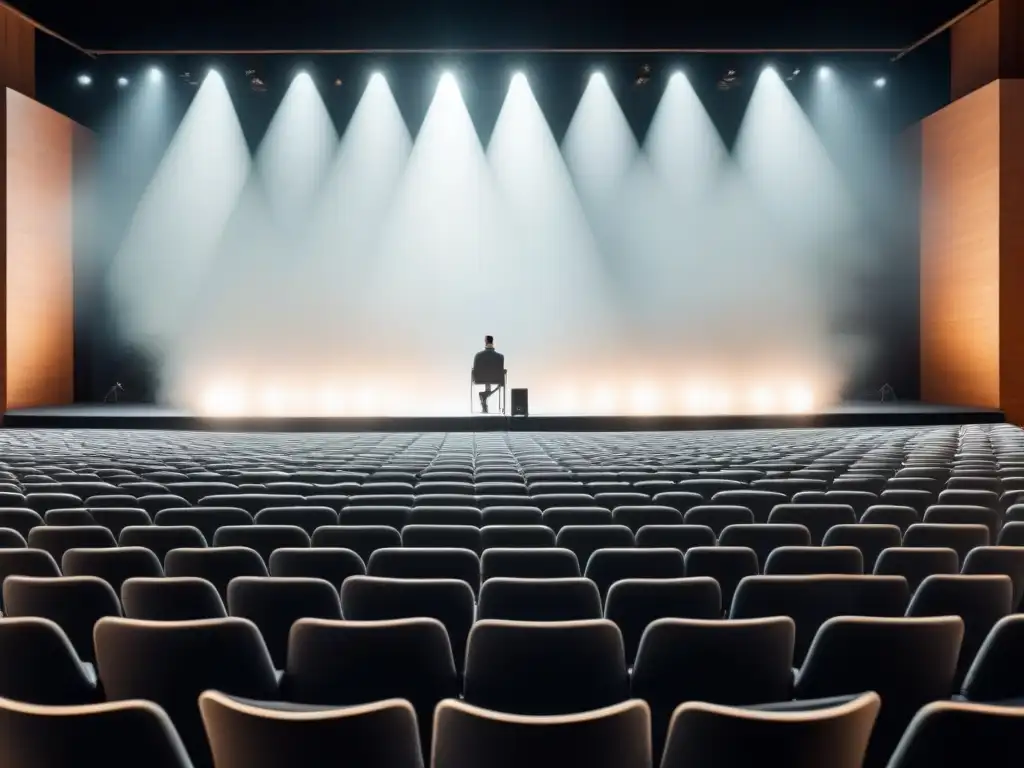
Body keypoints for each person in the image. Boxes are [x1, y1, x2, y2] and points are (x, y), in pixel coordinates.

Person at [472, 335, 505, 414]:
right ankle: (486, 394)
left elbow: (475, 369)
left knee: (487, 376)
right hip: (497, 379)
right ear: (492, 342)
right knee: (496, 379)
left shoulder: (478, 356)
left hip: (479, 378)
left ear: (485, 342)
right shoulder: (500, 357)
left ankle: (485, 395)